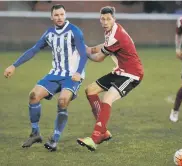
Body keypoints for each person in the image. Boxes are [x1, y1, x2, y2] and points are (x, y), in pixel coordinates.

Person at [3, 4, 87, 151]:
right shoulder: (49, 33)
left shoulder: (75, 31)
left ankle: (54, 139)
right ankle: (35, 133)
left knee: (62, 101)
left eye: (61, 14)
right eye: (56, 15)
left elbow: (83, 54)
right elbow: (34, 50)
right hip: (55, 73)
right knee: (33, 95)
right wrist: (14, 65)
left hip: (72, 75)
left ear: (65, 15)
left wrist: (79, 72)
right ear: (51, 17)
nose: (59, 17)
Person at [77, 6, 144, 151]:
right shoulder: (113, 30)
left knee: (107, 98)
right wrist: (88, 48)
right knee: (90, 90)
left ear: (114, 19)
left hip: (132, 74)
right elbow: (102, 47)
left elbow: (98, 58)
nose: (105, 21)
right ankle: (104, 132)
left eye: (108, 19)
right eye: (103, 19)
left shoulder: (115, 36)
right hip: (120, 71)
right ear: (100, 20)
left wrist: (83, 51)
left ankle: (94, 138)